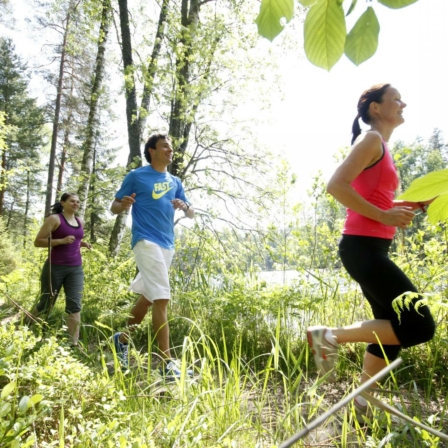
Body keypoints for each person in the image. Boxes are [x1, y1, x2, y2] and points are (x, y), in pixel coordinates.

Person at [307, 84, 436, 422]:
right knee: (420, 326)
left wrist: (412, 205)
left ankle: (361, 407)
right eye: (396, 99)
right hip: (363, 249)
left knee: (389, 330)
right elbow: (336, 185)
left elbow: (377, 201)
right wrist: (384, 216)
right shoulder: (371, 141)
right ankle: (329, 336)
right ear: (376, 108)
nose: (403, 103)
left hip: (370, 248)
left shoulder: (382, 147)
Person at [111, 133, 194, 377]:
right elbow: (114, 206)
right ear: (151, 151)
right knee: (162, 298)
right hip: (145, 240)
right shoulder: (137, 176)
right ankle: (167, 362)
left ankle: (122, 340)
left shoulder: (175, 181)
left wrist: (185, 207)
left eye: (171, 147)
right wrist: (123, 204)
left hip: (167, 243)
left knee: (148, 297)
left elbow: (191, 213)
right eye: (165, 147)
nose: (170, 150)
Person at [29, 193, 91, 345]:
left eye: (77, 202)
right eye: (72, 201)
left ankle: (73, 343)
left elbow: (75, 240)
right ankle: (26, 324)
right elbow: (38, 242)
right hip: (55, 267)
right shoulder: (55, 219)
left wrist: (82, 244)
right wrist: (61, 241)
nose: (76, 204)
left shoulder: (80, 221)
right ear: (63, 203)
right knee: (46, 303)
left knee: (74, 304)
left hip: (76, 268)